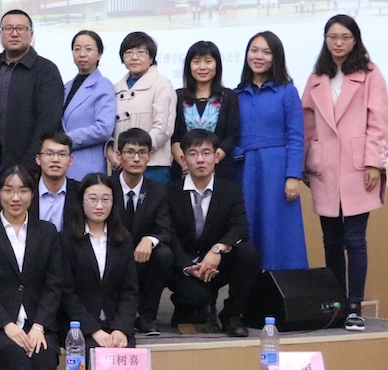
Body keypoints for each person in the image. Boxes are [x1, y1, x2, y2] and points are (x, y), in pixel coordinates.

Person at [302, 14, 388, 331]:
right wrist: (305, 163)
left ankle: (355, 306)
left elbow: (379, 122)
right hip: (324, 167)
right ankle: (337, 302)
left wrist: (374, 163)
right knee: (330, 240)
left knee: (354, 239)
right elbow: (307, 124)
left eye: (344, 37)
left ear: (355, 40)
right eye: (332, 37)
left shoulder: (370, 74)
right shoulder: (317, 77)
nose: (338, 43)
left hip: (358, 167)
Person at [0, 164, 66, 370]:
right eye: (8, 190)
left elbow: (54, 284)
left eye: (23, 191)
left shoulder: (47, 232)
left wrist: (39, 326)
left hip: (39, 326)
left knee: (45, 365)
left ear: (32, 194)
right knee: (19, 365)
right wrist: (7, 324)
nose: (15, 198)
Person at [168, 130, 261, 338]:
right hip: (185, 265)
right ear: (183, 159)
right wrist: (187, 267)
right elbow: (169, 235)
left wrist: (218, 249)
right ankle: (188, 304)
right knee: (195, 299)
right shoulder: (170, 192)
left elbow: (240, 228)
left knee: (248, 252)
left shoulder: (231, 191)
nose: (200, 160)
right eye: (193, 154)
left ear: (216, 156)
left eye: (206, 153)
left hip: (217, 263)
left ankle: (232, 315)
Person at [236, 31, 307, 271]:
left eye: (266, 52)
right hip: (243, 170)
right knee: (247, 227)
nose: (259, 57)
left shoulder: (287, 91)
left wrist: (293, 176)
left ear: (276, 57)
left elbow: (296, 136)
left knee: (277, 231)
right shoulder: (236, 94)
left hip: (276, 172)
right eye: (254, 50)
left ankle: (281, 288)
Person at [60, 173, 139, 349]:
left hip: (115, 324)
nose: (99, 206)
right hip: (79, 327)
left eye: (105, 199)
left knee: (125, 357)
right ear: (81, 200)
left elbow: (130, 290)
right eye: (93, 199)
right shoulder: (66, 240)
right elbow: (66, 293)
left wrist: (121, 328)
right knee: (93, 355)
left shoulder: (123, 239)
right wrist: (93, 330)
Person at [110, 128, 176, 337]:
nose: (136, 158)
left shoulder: (159, 190)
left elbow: (166, 229)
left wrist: (150, 239)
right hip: (111, 252)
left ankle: (147, 316)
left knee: (164, 254)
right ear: (119, 155)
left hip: (142, 258)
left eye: (142, 152)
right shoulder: (106, 186)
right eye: (130, 152)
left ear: (150, 156)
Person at [0, 10, 64, 169]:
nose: (14, 34)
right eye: (8, 28)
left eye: (20, 29)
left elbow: (47, 123)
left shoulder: (46, 70)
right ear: (0, 33)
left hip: (28, 166)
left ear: (31, 34)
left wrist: (28, 166)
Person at [110, 31, 176, 184]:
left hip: (153, 166)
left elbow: (163, 128)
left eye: (141, 52)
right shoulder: (115, 88)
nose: (134, 57)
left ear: (151, 57)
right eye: (128, 53)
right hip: (121, 165)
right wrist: (115, 154)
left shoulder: (162, 84)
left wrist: (139, 154)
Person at [171, 40, 240, 182]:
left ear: (217, 65)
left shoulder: (228, 96)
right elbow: (174, 136)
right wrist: (186, 162)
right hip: (184, 171)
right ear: (189, 66)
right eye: (196, 62)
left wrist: (211, 160)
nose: (202, 67)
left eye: (208, 61)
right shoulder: (177, 96)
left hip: (220, 170)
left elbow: (232, 135)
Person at [61, 30, 116, 180]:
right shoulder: (67, 86)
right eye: (77, 49)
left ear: (99, 55)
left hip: (87, 166)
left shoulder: (103, 85)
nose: (82, 54)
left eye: (88, 49)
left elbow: (104, 128)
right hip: (63, 164)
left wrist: (67, 140)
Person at [29, 132, 80, 232]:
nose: (55, 159)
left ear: (70, 160)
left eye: (62, 154)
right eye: (49, 154)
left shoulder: (80, 192)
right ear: (38, 159)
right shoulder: (27, 191)